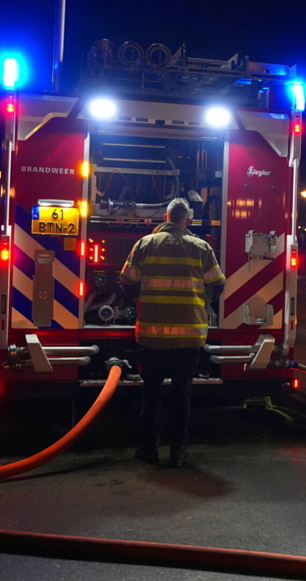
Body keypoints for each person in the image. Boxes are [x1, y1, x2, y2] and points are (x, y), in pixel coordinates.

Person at [119, 198, 225, 468]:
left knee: (151, 393)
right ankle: (177, 451)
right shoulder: (202, 248)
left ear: (165, 218)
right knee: (181, 393)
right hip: (188, 336)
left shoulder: (144, 244)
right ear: (186, 220)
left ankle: (148, 449)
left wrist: (140, 299)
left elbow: (127, 281)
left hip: (152, 334)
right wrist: (201, 300)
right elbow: (218, 284)